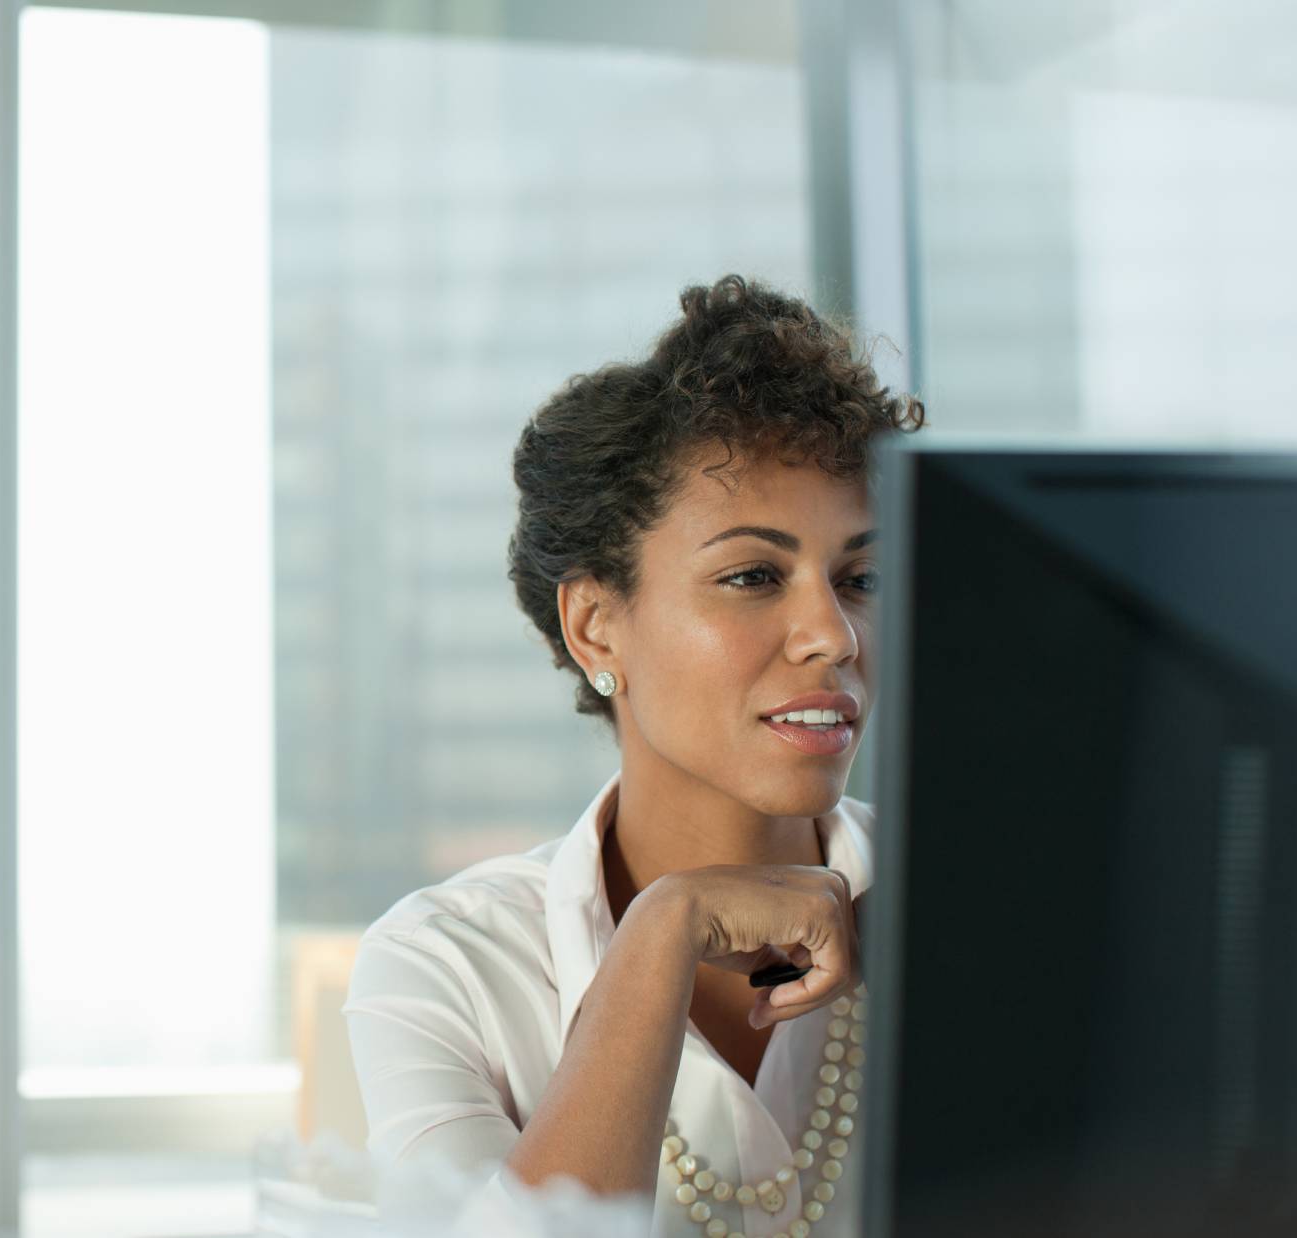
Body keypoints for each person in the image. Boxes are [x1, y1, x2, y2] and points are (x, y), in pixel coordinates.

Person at [342, 275, 923, 1238]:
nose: (834, 634)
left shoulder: (979, 913)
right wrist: (662, 933)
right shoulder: (446, 967)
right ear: (596, 625)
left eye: (860, 577)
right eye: (751, 576)